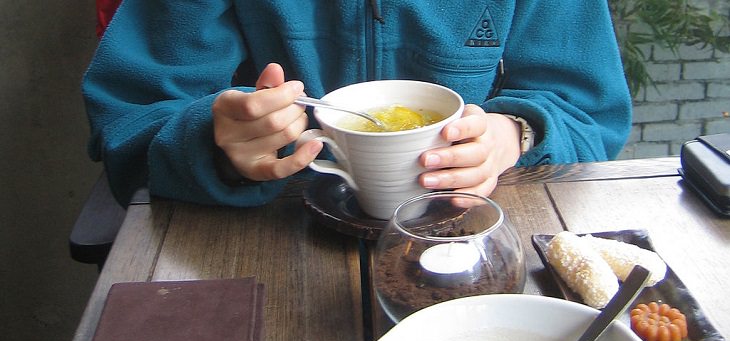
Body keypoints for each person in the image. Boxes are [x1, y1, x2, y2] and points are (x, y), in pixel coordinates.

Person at [82, 1, 632, 209]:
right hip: (264, 247)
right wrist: (212, 142)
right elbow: (128, 123)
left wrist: (517, 133)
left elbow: (588, 112)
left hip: (466, 235)